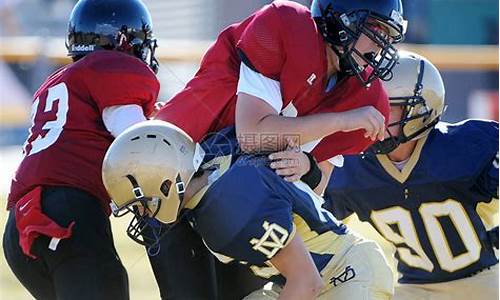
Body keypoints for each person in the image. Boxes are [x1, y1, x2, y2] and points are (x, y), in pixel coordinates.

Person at [148, 0, 407, 298]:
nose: (381, 45)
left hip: (244, 203)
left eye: (388, 35)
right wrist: (341, 121)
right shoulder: (287, 29)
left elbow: (312, 192)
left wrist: (308, 166)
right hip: (184, 183)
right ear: (342, 20)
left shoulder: (363, 98)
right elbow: (253, 136)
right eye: (375, 30)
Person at [102, 120, 396, 300]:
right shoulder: (215, 167)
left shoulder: (230, 209)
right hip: (310, 274)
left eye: (140, 203)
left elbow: (306, 282)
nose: (143, 213)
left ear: (166, 182)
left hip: (345, 274)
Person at [2, 1, 160, 299]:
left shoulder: (60, 82)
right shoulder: (110, 69)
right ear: (126, 42)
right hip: (68, 214)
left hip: (19, 226)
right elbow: (136, 138)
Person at [324, 51, 499, 300]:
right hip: (412, 288)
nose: (374, 118)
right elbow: (317, 229)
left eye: (386, 107)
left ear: (420, 107)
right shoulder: (351, 165)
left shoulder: (467, 146)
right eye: (367, 108)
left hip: (482, 282)